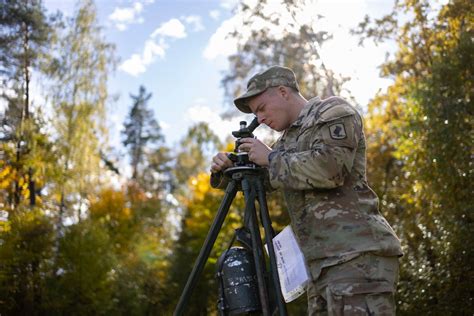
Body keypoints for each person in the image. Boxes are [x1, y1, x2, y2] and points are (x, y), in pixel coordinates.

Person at [210, 65, 403, 315]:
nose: (260, 119)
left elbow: (330, 169)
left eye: (261, 109)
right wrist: (228, 169)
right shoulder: (286, 142)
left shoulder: (333, 112)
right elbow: (267, 180)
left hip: (356, 257)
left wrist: (270, 158)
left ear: (282, 92)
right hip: (319, 268)